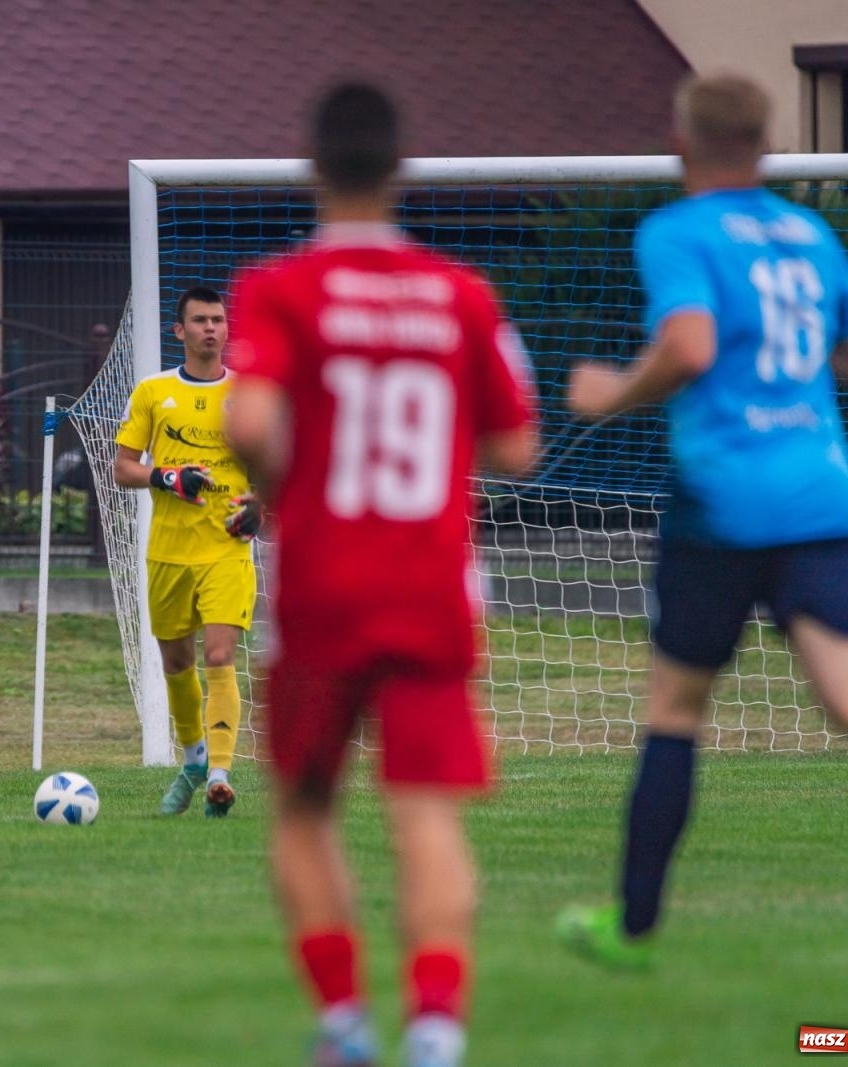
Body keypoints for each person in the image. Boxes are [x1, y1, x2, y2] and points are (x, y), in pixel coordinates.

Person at [556, 73, 848, 971]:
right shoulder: (807, 232)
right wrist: (792, 386)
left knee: (675, 707)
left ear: (683, 140)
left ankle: (631, 929)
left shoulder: (677, 230)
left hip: (725, 502)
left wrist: (611, 394)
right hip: (821, 490)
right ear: (765, 142)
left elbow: (692, 344)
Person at [225, 83, 537, 1067]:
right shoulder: (461, 292)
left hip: (324, 581)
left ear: (312, 167)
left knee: (307, 806)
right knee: (424, 810)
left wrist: (288, 480)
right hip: (429, 581)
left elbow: (246, 424)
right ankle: (437, 1026)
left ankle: (346, 1022)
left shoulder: (278, 287)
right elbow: (518, 442)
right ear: (400, 169)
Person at [114, 286, 261, 817]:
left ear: (227, 329)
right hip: (169, 553)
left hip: (227, 548)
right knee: (176, 664)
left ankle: (220, 774)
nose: (209, 329)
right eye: (199, 320)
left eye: (218, 320)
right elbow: (123, 466)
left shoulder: (250, 394)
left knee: (220, 656)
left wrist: (261, 507)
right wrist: (166, 476)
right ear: (179, 331)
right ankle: (195, 760)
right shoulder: (153, 393)